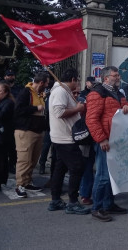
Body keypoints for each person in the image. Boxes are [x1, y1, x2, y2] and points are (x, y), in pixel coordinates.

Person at [86, 66, 128, 222]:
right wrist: (101, 139)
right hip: (105, 141)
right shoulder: (97, 93)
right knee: (103, 176)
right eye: (115, 75)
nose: (118, 77)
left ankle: (108, 204)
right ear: (106, 78)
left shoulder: (117, 93)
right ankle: (97, 207)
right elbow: (91, 119)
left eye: (118, 75)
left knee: (111, 175)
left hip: (115, 139)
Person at [46, 69, 91, 215]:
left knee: (60, 169)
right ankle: (72, 202)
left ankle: (55, 199)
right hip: (65, 138)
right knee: (77, 167)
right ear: (72, 79)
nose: (78, 83)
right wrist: (77, 108)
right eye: (77, 80)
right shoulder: (60, 91)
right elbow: (59, 112)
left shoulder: (62, 91)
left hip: (62, 137)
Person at [14, 71, 50, 198]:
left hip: (37, 131)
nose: (47, 86)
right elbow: (18, 110)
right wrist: (36, 108)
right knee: (24, 159)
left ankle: (27, 181)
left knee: (33, 160)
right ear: (41, 83)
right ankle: (20, 185)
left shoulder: (39, 94)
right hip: (26, 131)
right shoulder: (25, 93)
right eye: (46, 83)